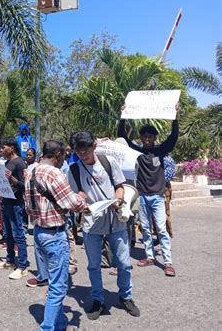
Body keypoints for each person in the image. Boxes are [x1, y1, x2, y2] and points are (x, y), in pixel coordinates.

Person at [67, 131, 140, 320]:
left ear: (94, 146)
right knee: (93, 265)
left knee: (123, 263)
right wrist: (81, 203)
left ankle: (126, 296)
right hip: (92, 224)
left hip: (115, 221)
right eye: (79, 150)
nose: (83, 153)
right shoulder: (74, 169)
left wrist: (118, 199)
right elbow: (76, 197)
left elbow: (120, 185)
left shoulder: (108, 162)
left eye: (87, 149)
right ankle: (98, 299)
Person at [24, 140, 87, 331]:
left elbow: (27, 205)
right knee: (58, 287)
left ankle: (60, 325)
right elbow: (72, 203)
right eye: (64, 156)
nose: (64, 160)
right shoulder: (54, 173)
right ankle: (48, 327)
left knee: (53, 284)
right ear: (58, 155)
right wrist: (82, 199)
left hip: (39, 233)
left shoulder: (31, 171)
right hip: (55, 235)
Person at [118, 103, 179, 277]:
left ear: (154, 137)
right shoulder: (136, 152)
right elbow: (123, 137)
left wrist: (175, 116)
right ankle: (150, 256)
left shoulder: (161, 151)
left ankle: (167, 262)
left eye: (150, 135)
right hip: (143, 197)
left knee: (160, 229)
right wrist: (123, 116)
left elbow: (173, 137)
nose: (146, 138)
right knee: (145, 228)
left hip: (158, 197)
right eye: (144, 135)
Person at [0, 137, 29, 280]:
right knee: (7, 233)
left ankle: (22, 266)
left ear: (12, 148)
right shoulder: (7, 162)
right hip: (5, 201)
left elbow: (25, 185)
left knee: (18, 234)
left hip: (16, 203)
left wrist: (13, 180)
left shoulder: (20, 163)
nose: (1, 150)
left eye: (4, 147)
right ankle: (10, 260)